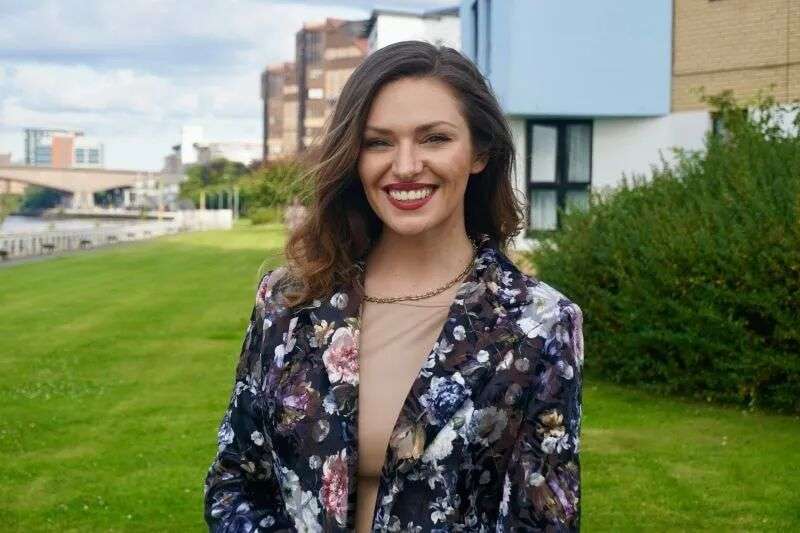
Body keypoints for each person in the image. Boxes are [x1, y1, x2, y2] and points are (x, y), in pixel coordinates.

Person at [203, 40, 584, 532]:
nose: (404, 166)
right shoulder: (289, 303)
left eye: (434, 139)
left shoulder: (540, 324)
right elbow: (236, 483)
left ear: (480, 152)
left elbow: (544, 520)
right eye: (378, 142)